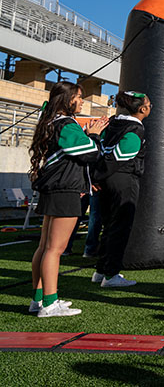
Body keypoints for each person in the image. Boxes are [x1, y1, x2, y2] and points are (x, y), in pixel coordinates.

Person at [28, 81, 107, 317]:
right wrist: (93, 135)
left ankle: (38, 300)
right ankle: (50, 303)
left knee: (45, 247)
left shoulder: (54, 122)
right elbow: (91, 153)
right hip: (64, 190)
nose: (82, 101)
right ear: (67, 100)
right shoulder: (66, 125)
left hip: (56, 189)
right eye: (79, 97)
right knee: (55, 249)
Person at [90, 91, 152, 288]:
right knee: (120, 227)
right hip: (123, 180)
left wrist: (96, 176)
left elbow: (101, 152)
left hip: (107, 181)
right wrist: (100, 173)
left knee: (108, 225)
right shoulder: (135, 129)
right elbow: (118, 157)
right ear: (142, 109)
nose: (150, 107)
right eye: (148, 104)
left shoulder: (113, 123)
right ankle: (111, 274)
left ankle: (100, 271)